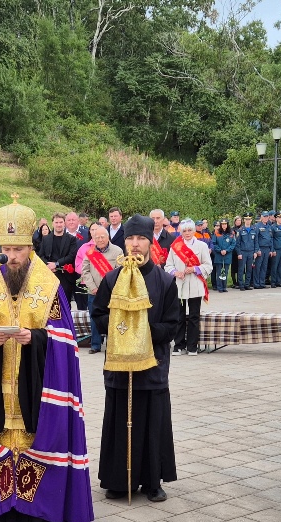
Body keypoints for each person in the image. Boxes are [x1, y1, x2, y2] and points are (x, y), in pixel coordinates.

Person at [0, 196, 93, 522]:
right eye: (7, 249)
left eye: (18, 249)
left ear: (30, 248)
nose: (12, 256)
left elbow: (65, 338)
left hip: (37, 385)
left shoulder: (49, 286)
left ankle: (39, 511)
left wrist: (37, 338)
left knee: (37, 438)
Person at [92, 214, 180, 503]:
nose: (135, 244)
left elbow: (172, 325)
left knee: (152, 423)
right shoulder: (111, 278)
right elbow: (98, 314)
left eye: (141, 238)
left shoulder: (165, 281)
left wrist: (142, 333)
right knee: (120, 421)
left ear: (150, 242)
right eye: (130, 238)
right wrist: (121, 331)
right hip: (119, 366)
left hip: (153, 365)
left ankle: (152, 481)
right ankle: (119, 480)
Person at [167, 219, 211, 356]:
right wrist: (175, 272)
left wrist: (195, 269)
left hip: (196, 284)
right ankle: (179, 345)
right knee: (179, 316)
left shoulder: (202, 246)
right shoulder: (175, 247)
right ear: (181, 232)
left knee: (194, 317)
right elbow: (168, 265)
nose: (187, 233)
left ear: (194, 231)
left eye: (189, 230)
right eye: (184, 231)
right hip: (180, 285)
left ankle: (192, 346)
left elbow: (208, 266)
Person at [80, 222, 121, 353]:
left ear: (108, 237)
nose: (100, 240)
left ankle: (112, 345)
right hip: (94, 292)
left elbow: (120, 271)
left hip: (112, 292)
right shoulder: (90, 252)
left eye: (102, 237)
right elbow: (85, 271)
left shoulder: (118, 251)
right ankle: (95, 345)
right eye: (97, 237)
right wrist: (93, 288)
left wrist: (110, 289)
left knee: (112, 318)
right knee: (94, 318)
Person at [38, 212, 81, 308]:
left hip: (65, 277)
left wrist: (56, 264)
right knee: (50, 305)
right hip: (50, 275)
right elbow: (40, 255)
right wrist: (49, 266)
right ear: (52, 223)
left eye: (61, 222)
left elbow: (71, 256)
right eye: (56, 222)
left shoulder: (71, 239)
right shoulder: (46, 239)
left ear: (64, 223)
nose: (59, 225)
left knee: (65, 305)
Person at [210, 219, 236, 292]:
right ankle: (220, 287)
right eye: (222, 224)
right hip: (219, 255)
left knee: (225, 272)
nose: (224, 225)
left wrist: (226, 250)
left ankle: (224, 287)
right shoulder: (217, 233)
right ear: (221, 225)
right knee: (219, 272)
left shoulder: (231, 233)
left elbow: (233, 244)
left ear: (227, 225)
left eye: (225, 224)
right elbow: (214, 243)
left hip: (227, 255)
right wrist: (220, 250)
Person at [235, 212, 257, 290]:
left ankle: (247, 284)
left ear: (251, 220)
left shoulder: (254, 229)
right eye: (246, 219)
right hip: (243, 252)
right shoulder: (240, 230)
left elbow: (256, 242)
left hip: (251, 252)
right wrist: (239, 253)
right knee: (241, 269)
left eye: (249, 219)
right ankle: (241, 285)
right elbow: (237, 243)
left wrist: (255, 252)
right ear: (244, 220)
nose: (248, 221)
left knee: (249, 269)